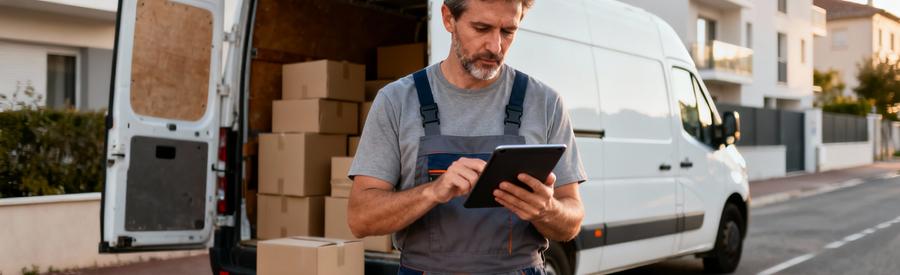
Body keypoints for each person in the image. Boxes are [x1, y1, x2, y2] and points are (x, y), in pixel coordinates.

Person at [347, 0, 586, 274]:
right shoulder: (397, 101)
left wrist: (547, 209)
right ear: (448, 19)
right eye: (481, 28)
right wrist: (433, 191)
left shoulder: (545, 103)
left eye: (508, 31)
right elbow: (360, 219)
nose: (495, 46)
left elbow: (572, 220)